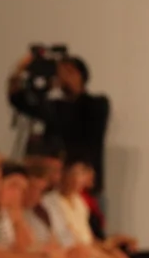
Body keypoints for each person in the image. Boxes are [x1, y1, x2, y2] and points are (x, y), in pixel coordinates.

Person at [8, 53, 109, 195]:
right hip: (56, 185)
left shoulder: (97, 104)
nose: (63, 76)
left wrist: (67, 85)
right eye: (61, 72)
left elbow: (76, 115)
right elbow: (19, 101)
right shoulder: (56, 106)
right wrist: (20, 71)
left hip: (85, 186)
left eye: (70, 72)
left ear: (81, 76)